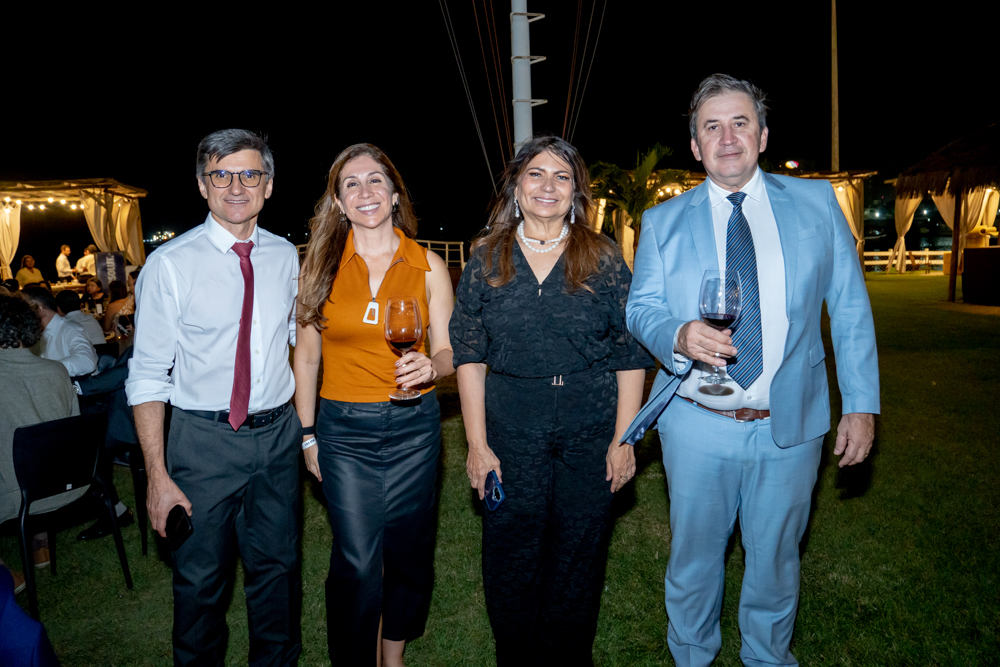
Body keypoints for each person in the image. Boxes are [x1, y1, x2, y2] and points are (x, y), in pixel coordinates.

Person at [625, 74, 880, 667]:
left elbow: (848, 307)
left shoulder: (816, 204)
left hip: (790, 425)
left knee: (776, 563)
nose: (727, 137)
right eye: (711, 127)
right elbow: (642, 309)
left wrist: (861, 403)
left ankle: (768, 658)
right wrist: (679, 334)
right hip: (697, 423)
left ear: (763, 135)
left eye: (740, 123)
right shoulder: (664, 222)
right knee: (693, 563)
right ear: (695, 146)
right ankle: (691, 656)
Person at [449, 135, 653, 666]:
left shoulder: (603, 256)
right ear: (517, 185)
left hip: (591, 425)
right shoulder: (487, 257)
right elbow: (468, 355)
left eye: (562, 177)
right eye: (536, 173)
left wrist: (623, 439)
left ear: (576, 192)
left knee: (578, 555)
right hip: (512, 427)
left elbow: (629, 352)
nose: (548, 186)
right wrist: (477, 445)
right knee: (511, 553)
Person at [125, 129, 302, 666]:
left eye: (249, 174)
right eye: (220, 174)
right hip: (202, 442)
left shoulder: (284, 257)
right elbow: (149, 374)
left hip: (277, 439)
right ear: (203, 186)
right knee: (200, 585)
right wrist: (157, 475)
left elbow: (301, 342)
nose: (235, 186)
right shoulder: (170, 265)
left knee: (279, 576)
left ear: (268, 186)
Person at [293, 143, 455, 667]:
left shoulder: (428, 264)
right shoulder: (317, 268)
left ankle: (393, 656)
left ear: (394, 193)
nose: (366, 192)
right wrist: (307, 434)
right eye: (352, 184)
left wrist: (434, 365)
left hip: (415, 429)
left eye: (376, 181)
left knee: (408, 553)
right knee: (359, 560)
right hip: (344, 431)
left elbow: (452, 349)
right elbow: (306, 360)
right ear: (339, 201)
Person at [0, 293, 85, 594]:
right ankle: (39, 545)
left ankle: (4, 573)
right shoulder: (57, 371)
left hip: (18, 499)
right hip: (71, 486)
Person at [21, 285, 97, 377]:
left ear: (39, 309)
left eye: (23, 309)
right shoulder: (31, 332)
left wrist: (43, 368)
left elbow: (87, 362)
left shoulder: (70, 329)